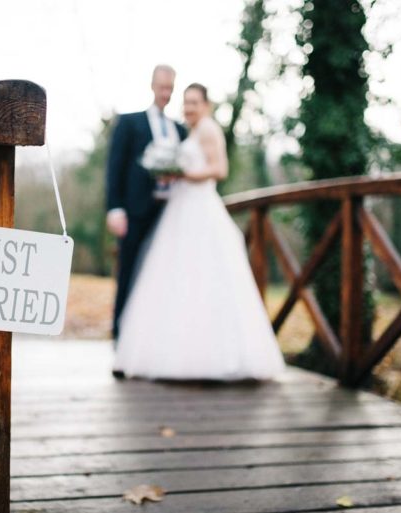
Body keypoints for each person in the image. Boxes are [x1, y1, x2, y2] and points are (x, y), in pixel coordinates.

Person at [113, 83, 285, 381]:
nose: (189, 107)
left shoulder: (208, 129)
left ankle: (211, 356)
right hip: (181, 208)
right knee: (175, 278)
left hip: (201, 207)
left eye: (194, 102)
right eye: (186, 102)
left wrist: (183, 174)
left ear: (207, 105)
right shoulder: (190, 132)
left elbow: (220, 170)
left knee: (204, 275)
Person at [106, 65, 187, 340]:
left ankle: (155, 334)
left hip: (169, 212)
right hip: (135, 211)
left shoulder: (179, 130)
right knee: (129, 271)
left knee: (162, 273)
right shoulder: (130, 122)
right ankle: (120, 332)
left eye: (170, 88)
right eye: (162, 87)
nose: (166, 93)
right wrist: (115, 208)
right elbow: (115, 167)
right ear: (152, 86)